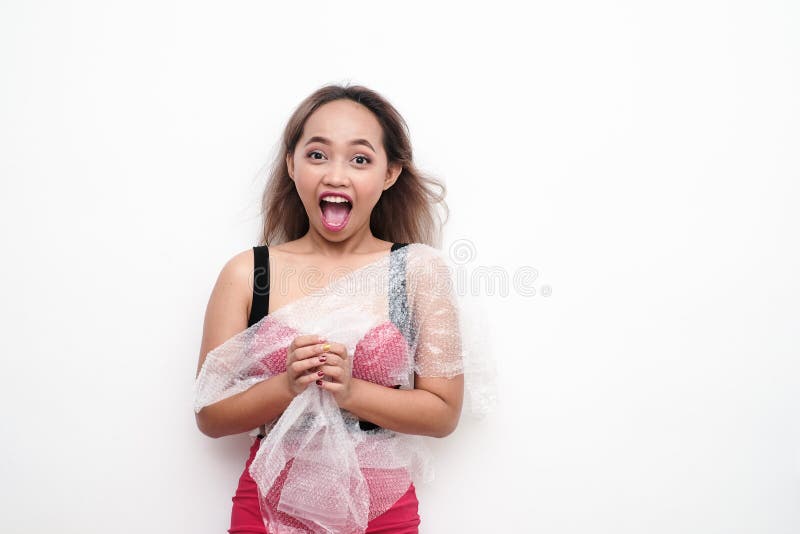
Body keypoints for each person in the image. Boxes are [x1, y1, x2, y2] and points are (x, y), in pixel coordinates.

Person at [194, 84, 465, 534]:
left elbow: (443, 413)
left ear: (390, 173)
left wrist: (350, 391)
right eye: (317, 154)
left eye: (360, 159)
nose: (336, 176)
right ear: (291, 165)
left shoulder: (418, 272)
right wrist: (287, 385)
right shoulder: (246, 273)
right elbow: (209, 415)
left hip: (382, 514)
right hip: (266, 510)